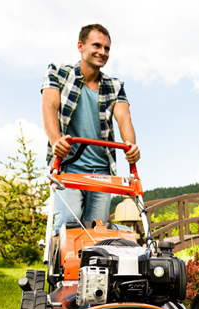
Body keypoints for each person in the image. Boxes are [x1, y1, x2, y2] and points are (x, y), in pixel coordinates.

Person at [41, 24, 140, 231]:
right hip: (69, 165)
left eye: (107, 48)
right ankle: (57, 262)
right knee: (68, 225)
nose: (102, 52)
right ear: (80, 46)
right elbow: (49, 106)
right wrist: (55, 140)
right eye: (97, 45)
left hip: (102, 171)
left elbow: (124, 117)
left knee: (97, 231)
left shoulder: (115, 85)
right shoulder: (58, 73)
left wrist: (130, 145)